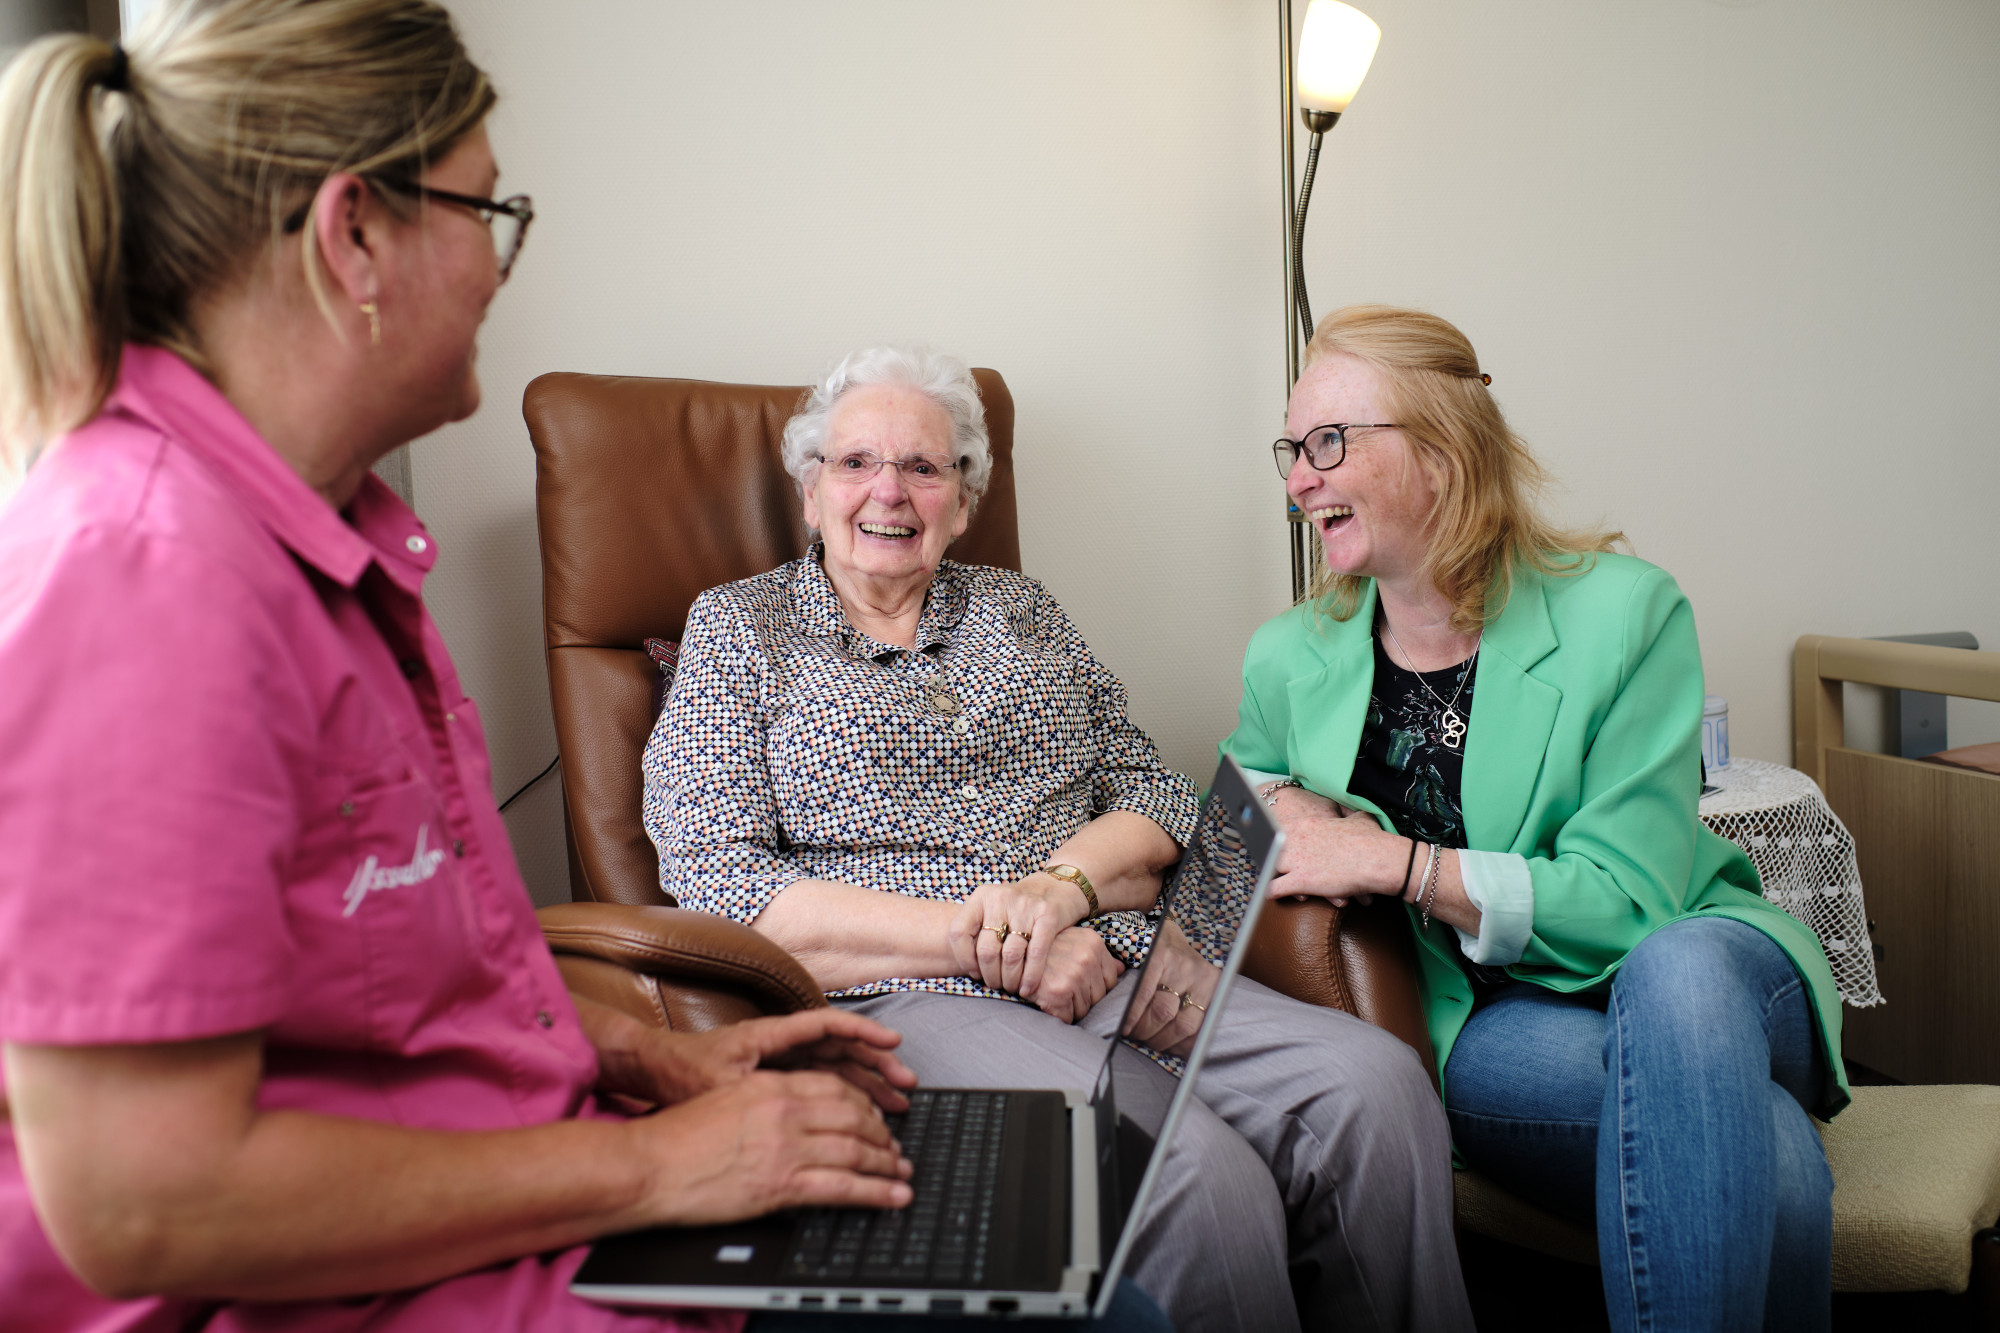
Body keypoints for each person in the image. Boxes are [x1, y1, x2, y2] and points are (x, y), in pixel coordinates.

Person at [0, 5, 1172, 1331]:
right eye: (491, 215)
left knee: (1078, 1252)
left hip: (538, 1184)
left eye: (925, 468)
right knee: (1104, 1302)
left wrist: (654, 1055)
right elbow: (145, 1206)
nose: (505, 269)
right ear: (356, 235)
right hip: (410, 1278)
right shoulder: (140, 573)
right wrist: (650, 1162)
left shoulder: (338, 559)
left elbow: (420, 976)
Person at [644, 344, 1475, 1333]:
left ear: (962, 497)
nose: (889, 492)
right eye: (855, 462)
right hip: (908, 992)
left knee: (1373, 1088)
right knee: (1191, 1179)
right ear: (810, 488)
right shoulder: (741, 630)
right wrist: (990, 936)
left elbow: (1159, 796)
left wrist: (1067, 893)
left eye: (924, 467)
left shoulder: (1021, 611)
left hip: (1108, 952)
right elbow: (717, 879)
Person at [1222, 304, 1847, 1332]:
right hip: (1490, 1013)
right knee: (1771, 1164)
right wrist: (1274, 801)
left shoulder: (1625, 612)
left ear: (1437, 446)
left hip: (1706, 962)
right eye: (1290, 448)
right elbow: (1232, 825)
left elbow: (1628, 906)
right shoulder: (1287, 657)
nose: (1297, 479)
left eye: (1327, 442)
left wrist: (1398, 865)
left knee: (1677, 973)